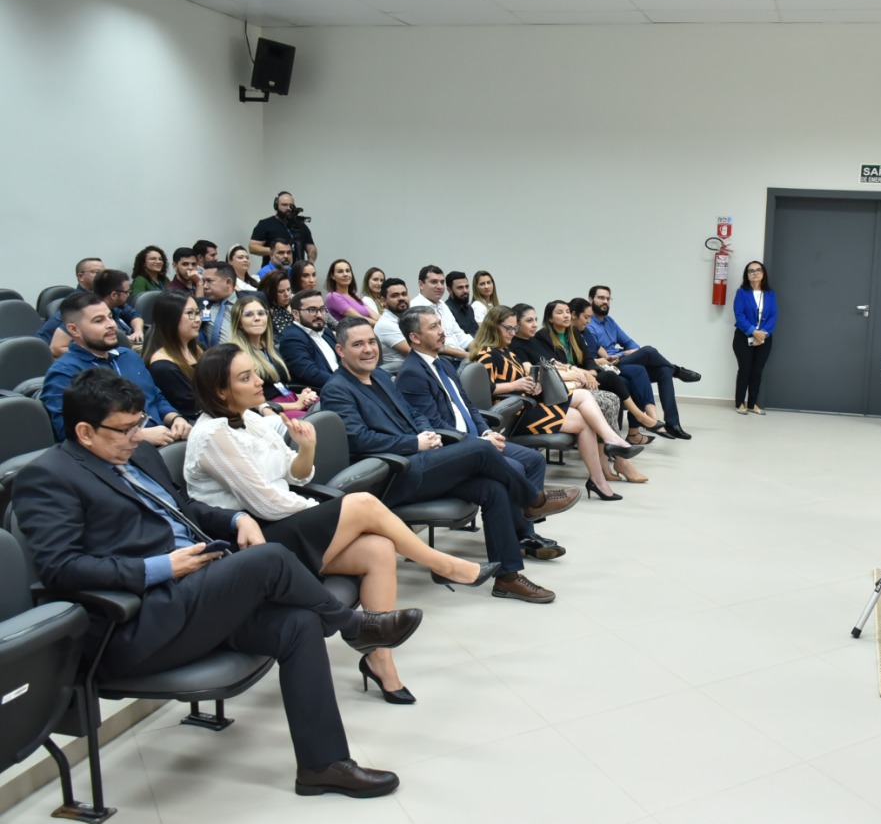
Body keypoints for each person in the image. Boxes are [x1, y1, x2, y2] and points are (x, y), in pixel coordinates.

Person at [15, 367, 417, 797]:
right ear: (84, 431)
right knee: (268, 559)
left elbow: (184, 506)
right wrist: (162, 567)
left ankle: (323, 765)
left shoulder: (138, 454)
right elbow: (61, 568)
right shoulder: (48, 477)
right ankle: (354, 628)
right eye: (126, 429)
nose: (139, 436)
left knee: (298, 625)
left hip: (193, 596)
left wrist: (236, 517)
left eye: (140, 425)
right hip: (136, 623)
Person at [186, 344, 498, 702]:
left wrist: (306, 449)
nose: (259, 381)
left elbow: (296, 475)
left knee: (379, 549)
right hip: (255, 546)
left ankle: (381, 662)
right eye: (246, 377)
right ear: (220, 391)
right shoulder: (212, 436)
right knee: (361, 503)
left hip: (283, 521)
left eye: (254, 372)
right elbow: (266, 503)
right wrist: (326, 511)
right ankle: (444, 565)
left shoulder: (252, 418)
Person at [321, 319, 561, 603]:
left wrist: (428, 433)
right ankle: (533, 499)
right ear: (340, 350)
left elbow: (413, 413)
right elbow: (359, 440)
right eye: (358, 344)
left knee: (493, 489)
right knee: (481, 451)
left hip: (422, 460)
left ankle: (507, 577)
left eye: (371, 342)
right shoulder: (336, 389)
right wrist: (414, 443)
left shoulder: (382, 377)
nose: (368, 349)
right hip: (393, 475)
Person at [395, 306, 575, 560]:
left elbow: (469, 405)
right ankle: (529, 514)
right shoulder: (411, 374)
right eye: (433, 327)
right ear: (414, 337)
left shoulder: (443, 363)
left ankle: (524, 530)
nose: (442, 331)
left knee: (533, 460)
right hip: (453, 449)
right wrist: (478, 441)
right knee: (513, 467)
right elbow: (431, 424)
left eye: (440, 324)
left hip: (475, 438)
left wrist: (486, 432)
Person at [471, 306, 643, 501]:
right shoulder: (486, 353)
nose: (512, 333)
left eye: (514, 329)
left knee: (583, 402)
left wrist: (533, 386)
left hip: (526, 404)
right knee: (584, 417)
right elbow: (487, 389)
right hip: (513, 415)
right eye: (508, 329)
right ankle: (603, 466)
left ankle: (604, 461)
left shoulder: (507, 352)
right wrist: (515, 385)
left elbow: (519, 382)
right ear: (494, 327)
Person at [514, 302, 648, 485]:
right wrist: (574, 375)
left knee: (612, 399)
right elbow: (538, 373)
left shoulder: (534, 341)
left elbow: (557, 363)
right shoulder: (525, 343)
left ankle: (609, 461)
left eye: (535, 320)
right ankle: (618, 460)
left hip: (565, 385)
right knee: (604, 402)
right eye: (529, 320)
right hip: (550, 395)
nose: (534, 324)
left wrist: (579, 373)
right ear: (516, 323)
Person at [41, 293, 192, 444]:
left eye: (110, 317)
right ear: (74, 330)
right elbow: (70, 433)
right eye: (99, 321)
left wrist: (175, 418)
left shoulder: (128, 356)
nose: (112, 325)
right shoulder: (64, 373)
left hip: (164, 438)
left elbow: (155, 395)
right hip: (118, 456)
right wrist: (138, 435)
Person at [541, 299, 664, 470]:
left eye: (567, 312)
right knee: (613, 381)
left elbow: (589, 359)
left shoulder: (574, 332)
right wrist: (584, 373)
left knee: (615, 393)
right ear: (550, 318)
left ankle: (614, 451)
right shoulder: (544, 337)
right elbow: (555, 366)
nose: (566, 316)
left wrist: (591, 372)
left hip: (585, 377)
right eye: (560, 313)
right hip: (569, 381)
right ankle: (637, 421)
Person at [585, 284, 699, 440]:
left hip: (621, 361)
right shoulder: (587, 324)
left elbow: (632, 345)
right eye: (600, 298)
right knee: (648, 351)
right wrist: (623, 353)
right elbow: (596, 356)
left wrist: (623, 353)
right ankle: (676, 371)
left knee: (663, 371)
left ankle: (672, 424)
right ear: (590, 299)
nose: (605, 301)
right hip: (608, 366)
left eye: (608, 298)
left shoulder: (610, 322)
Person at [569, 297, 658, 446]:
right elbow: (570, 363)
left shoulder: (585, 331)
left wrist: (606, 361)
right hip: (581, 376)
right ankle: (641, 421)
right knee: (646, 354)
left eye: (608, 298)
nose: (588, 321)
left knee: (641, 371)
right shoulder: (564, 335)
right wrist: (591, 370)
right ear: (574, 315)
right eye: (586, 317)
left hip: (600, 367)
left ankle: (633, 432)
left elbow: (592, 355)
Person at [229, 296, 318, 418]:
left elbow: (282, 386)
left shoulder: (270, 348)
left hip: (290, 399)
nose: (257, 318)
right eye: (249, 315)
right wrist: (296, 404)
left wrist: (303, 396)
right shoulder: (237, 355)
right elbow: (249, 402)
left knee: (330, 407)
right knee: (318, 421)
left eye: (261, 313)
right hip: (269, 409)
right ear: (239, 323)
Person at [45, 269, 145, 358]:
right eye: (127, 292)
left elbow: (134, 316)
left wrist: (138, 331)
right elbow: (56, 348)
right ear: (114, 295)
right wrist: (100, 354)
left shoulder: (116, 306)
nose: (129, 295)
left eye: (109, 317)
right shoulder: (83, 310)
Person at [144, 291, 203, 423]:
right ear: (171, 318)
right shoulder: (163, 366)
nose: (198, 319)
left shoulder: (197, 348)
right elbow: (194, 408)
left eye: (197, 313)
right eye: (190, 314)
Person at [732, 260, 778, 416]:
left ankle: (753, 404)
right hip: (743, 337)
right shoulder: (742, 293)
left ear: (763, 273)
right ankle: (740, 403)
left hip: (765, 338)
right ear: (747, 275)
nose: (755, 273)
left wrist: (763, 333)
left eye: (758, 270)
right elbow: (739, 316)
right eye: (751, 271)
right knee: (745, 370)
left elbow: (773, 316)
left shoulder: (770, 294)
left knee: (757, 371)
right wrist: (753, 331)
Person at [278, 289, 340, 390]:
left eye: (322, 309)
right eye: (312, 310)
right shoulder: (292, 339)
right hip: (324, 392)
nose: (319, 315)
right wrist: (346, 384)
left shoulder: (326, 332)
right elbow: (311, 374)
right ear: (296, 314)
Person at [409, 265, 470, 361]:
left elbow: (460, 335)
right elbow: (435, 345)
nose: (440, 286)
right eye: (434, 282)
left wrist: (479, 350)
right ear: (421, 284)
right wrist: (468, 355)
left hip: (460, 358)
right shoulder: (416, 307)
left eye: (442, 282)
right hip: (443, 360)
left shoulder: (442, 305)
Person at [250, 191, 317, 264]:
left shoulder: (301, 225)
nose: (288, 208)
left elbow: (311, 247)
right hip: (274, 272)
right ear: (276, 206)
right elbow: (253, 247)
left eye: (291, 205)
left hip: (297, 272)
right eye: (284, 205)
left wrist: (310, 263)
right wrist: (277, 251)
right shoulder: (265, 224)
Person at [373, 278, 412, 373]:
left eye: (404, 294)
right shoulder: (385, 324)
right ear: (383, 300)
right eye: (395, 296)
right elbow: (413, 352)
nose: (401, 298)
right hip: (397, 374)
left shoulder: (407, 318)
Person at [325, 259, 378, 325]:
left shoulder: (354, 295)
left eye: (348, 271)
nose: (345, 274)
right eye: (340, 271)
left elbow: (374, 315)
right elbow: (359, 319)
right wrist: (382, 325)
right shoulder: (332, 296)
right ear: (332, 276)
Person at [199, 263, 239, 347]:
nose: (205, 286)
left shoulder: (248, 304)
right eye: (203, 282)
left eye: (209, 281)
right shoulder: (201, 306)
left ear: (228, 282)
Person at [290, 260, 339, 329]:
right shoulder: (291, 301)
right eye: (305, 276)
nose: (312, 280)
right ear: (296, 278)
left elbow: (334, 323)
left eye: (313, 275)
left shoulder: (316, 298)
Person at [259, 269, 295, 337]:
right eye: (281, 291)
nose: (287, 294)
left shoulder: (294, 304)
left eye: (288, 289)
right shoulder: (266, 313)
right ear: (269, 292)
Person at [445, 271, 479, 336]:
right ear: (450, 290)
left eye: (467, 286)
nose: (465, 291)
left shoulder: (469, 308)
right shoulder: (446, 310)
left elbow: (476, 333)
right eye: (460, 288)